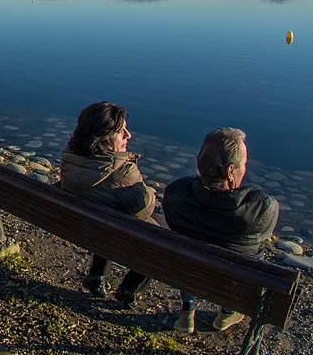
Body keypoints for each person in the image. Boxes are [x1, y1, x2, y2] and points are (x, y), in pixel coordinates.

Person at [163, 127, 279, 334]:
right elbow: (263, 236)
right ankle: (227, 312)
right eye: (243, 165)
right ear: (229, 171)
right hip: (230, 280)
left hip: (186, 271)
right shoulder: (262, 208)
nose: (245, 169)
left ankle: (186, 313)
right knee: (251, 254)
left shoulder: (175, 194)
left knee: (191, 250)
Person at [60, 101, 156, 306]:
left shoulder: (70, 155)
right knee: (163, 240)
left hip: (81, 227)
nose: (128, 136)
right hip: (113, 235)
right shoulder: (123, 173)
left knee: (104, 209)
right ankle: (129, 289)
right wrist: (150, 192)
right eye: (121, 132)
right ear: (101, 140)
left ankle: (97, 275)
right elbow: (143, 209)